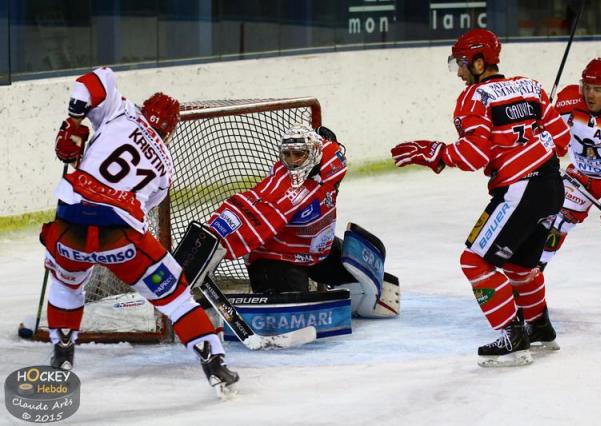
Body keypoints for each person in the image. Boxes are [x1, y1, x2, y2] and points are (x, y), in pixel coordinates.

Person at [41, 67, 238, 393]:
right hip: (121, 238)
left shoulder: (121, 110)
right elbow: (140, 209)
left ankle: (62, 351)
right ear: (170, 131)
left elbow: (90, 81)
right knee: (176, 297)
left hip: (69, 226)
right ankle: (214, 362)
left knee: (67, 281)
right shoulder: (165, 167)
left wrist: (74, 124)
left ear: (144, 109)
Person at [390, 28, 570, 367]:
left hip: (520, 190)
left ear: (478, 61)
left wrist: (436, 153)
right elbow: (560, 139)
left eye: (460, 63)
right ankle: (540, 328)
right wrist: (531, 141)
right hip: (551, 187)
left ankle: (513, 338)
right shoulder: (533, 88)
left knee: (475, 262)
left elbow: (474, 155)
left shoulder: (475, 97)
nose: (458, 72)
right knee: (521, 266)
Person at [207, 125, 399, 318]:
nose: (292, 161)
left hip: (317, 249)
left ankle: (350, 290)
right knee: (291, 315)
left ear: (315, 153)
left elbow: (331, 148)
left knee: (369, 281)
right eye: (287, 155)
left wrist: (325, 139)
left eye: (298, 154)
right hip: (278, 257)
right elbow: (248, 213)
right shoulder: (284, 192)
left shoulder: (331, 159)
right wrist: (211, 241)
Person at [539, 58, 601, 268]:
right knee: (553, 227)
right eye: (586, 87)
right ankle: (532, 276)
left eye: (598, 89)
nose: (590, 94)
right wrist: (542, 127)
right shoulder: (568, 99)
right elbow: (553, 132)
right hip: (581, 176)